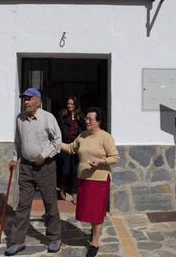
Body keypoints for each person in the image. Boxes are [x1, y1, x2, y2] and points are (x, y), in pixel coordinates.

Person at [5, 88, 62, 256]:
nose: (26, 102)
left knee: (50, 203)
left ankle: (54, 237)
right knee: (22, 206)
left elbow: (57, 141)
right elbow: (18, 141)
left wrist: (44, 156)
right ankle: (17, 241)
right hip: (26, 168)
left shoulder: (47, 117)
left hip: (45, 167)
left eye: (29, 99)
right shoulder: (20, 119)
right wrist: (15, 159)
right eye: (24, 99)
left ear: (38, 100)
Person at [60, 107, 119, 257]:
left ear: (98, 121)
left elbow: (115, 157)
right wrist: (57, 144)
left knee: (97, 213)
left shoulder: (105, 137)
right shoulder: (82, 136)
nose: (86, 121)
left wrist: (101, 161)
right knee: (88, 211)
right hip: (84, 179)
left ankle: (95, 243)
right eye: (86, 118)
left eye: (90, 119)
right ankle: (95, 231)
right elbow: (71, 148)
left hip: (99, 180)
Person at [57, 96, 86, 204]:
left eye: (72, 104)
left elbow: (85, 130)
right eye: (68, 103)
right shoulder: (63, 115)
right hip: (65, 146)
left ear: (76, 105)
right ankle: (63, 188)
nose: (69, 106)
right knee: (66, 170)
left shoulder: (81, 116)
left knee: (75, 171)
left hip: (77, 147)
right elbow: (58, 129)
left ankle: (74, 194)